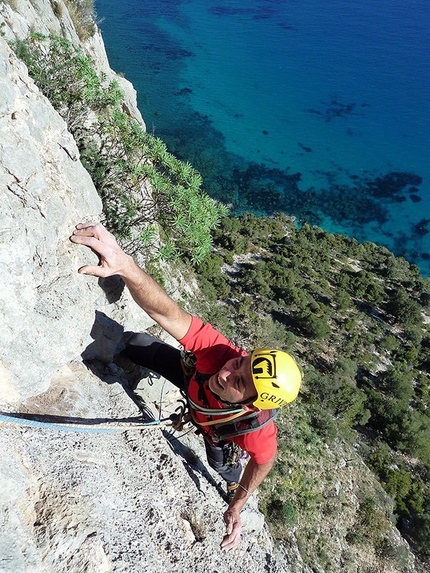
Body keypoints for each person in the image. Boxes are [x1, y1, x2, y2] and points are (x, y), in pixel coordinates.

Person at [70, 222, 302, 551]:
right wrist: (125, 265)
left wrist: (238, 502)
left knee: (220, 465)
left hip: (217, 430)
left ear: (251, 403)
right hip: (195, 382)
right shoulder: (220, 356)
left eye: (238, 381)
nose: (226, 371)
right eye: (240, 363)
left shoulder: (254, 428)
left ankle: (229, 478)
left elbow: (262, 462)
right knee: (136, 342)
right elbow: (166, 312)